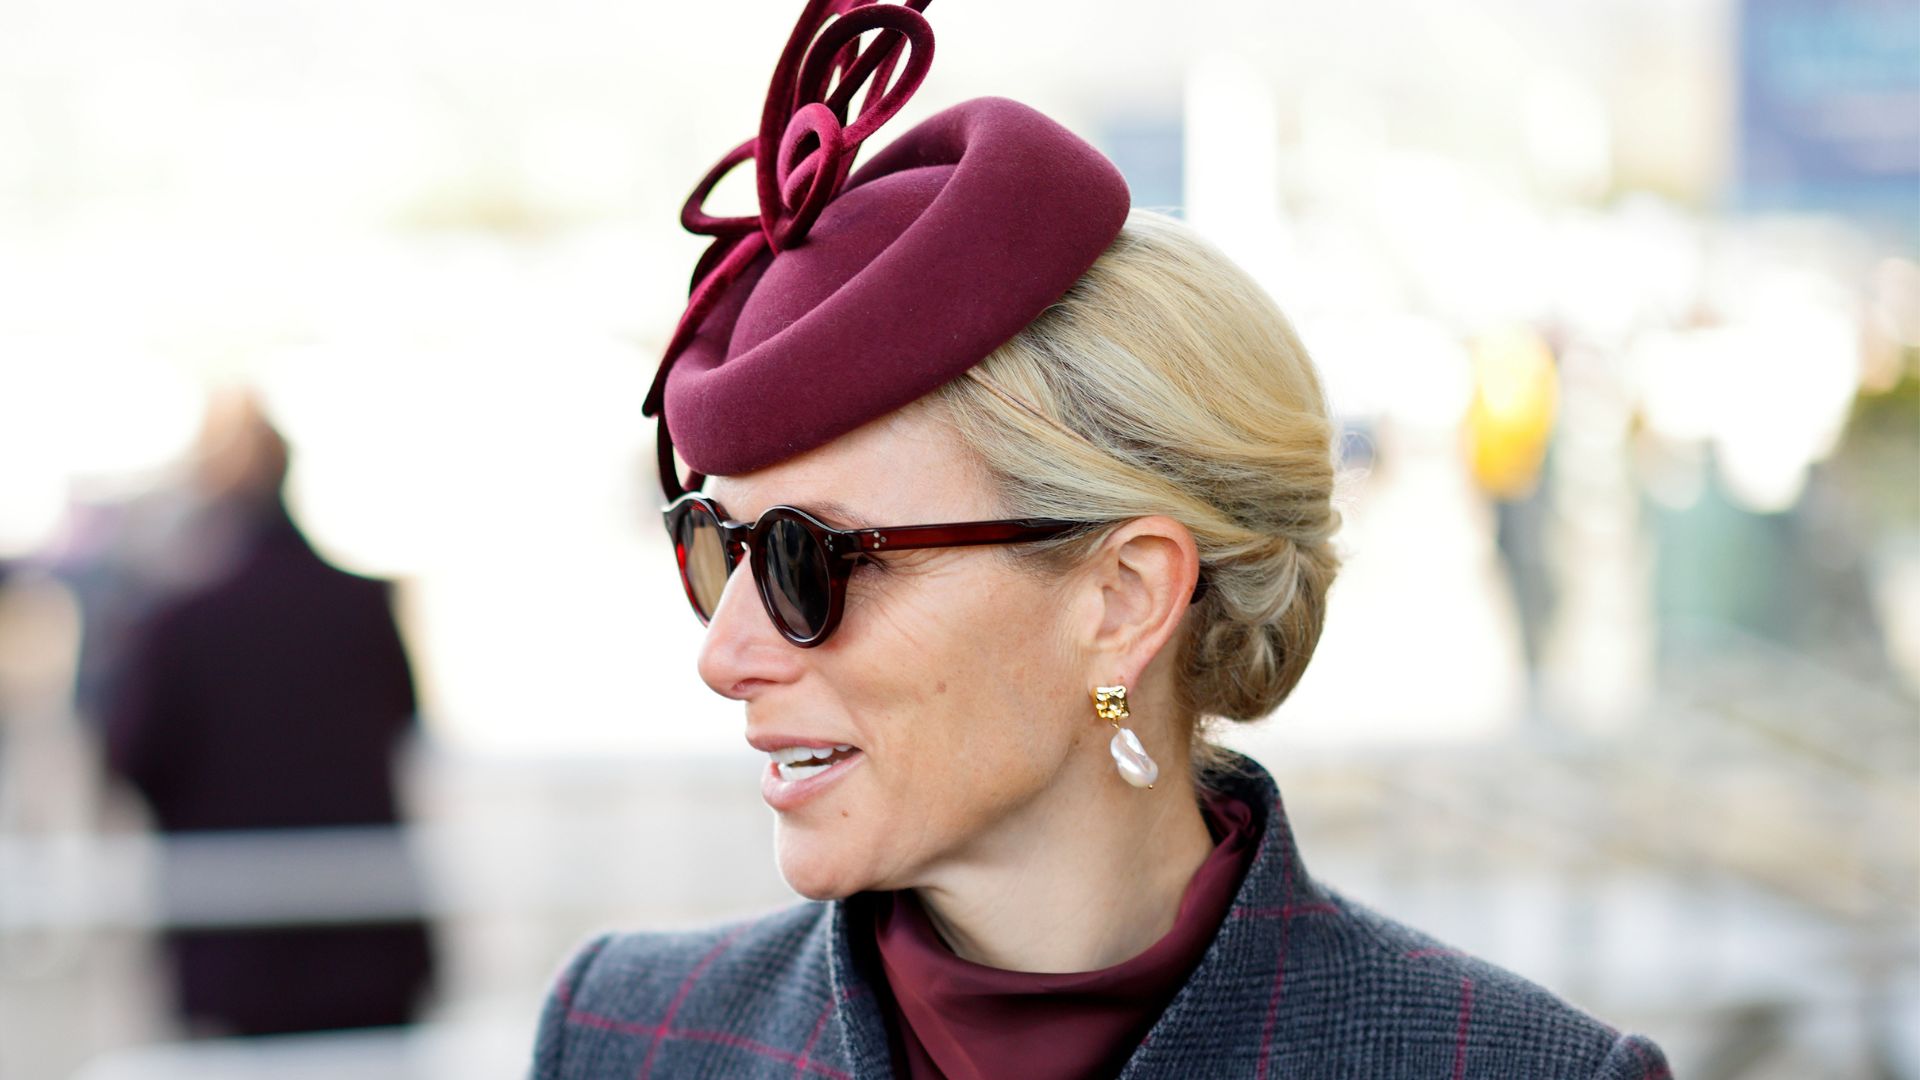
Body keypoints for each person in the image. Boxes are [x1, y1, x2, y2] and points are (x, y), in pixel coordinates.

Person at [533, 2, 1671, 1077]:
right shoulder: (626, 1037)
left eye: (803, 560)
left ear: (1124, 598)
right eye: (716, 548)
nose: (725, 655)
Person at [103, 393, 435, 1036]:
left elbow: (132, 758)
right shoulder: (360, 607)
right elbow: (402, 723)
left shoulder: (181, 626)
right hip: (367, 942)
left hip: (234, 952)